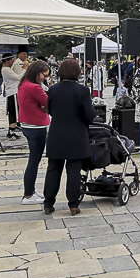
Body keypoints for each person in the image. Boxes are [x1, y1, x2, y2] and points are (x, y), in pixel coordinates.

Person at [43, 59, 95, 216]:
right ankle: (73, 204)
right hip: (76, 134)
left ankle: (48, 203)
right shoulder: (82, 91)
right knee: (73, 170)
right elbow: (89, 115)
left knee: (53, 168)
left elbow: (50, 110)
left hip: (56, 133)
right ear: (78, 72)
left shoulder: (53, 89)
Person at [18, 60, 51, 205]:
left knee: (33, 160)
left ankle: (30, 191)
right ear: (37, 73)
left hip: (27, 124)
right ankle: (28, 195)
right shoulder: (35, 88)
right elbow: (49, 103)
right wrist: (45, 108)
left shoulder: (24, 83)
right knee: (34, 161)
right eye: (44, 75)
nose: (46, 78)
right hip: (36, 126)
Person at [1, 54, 21, 140]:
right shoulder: (5, 69)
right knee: (14, 112)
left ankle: (13, 129)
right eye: (10, 60)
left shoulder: (8, 69)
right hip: (12, 92)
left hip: (13, 92)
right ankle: (12, 130)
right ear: (6, 61)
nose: (12, 62)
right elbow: (18, 77)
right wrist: (25, 69)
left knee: (14, 111)